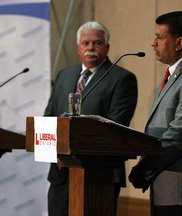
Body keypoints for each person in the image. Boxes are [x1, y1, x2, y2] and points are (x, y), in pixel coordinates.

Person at [44, 21, 138, 216]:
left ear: (107, 47)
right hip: (61, 172)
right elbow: (49, 118)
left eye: (97, 42)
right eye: (85, 43)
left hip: (99, 175)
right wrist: (57, 155)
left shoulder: (122, 79)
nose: (91, 48)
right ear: (78, 48)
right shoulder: (64, 76)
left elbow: (115, 127)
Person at [129, 11, 182, 216]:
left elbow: (178, 135)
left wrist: (146, 165)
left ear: (178, 43)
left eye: (160, 37)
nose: (154, 43)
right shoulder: (171, 75)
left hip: (176, 187)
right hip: (162, 184)